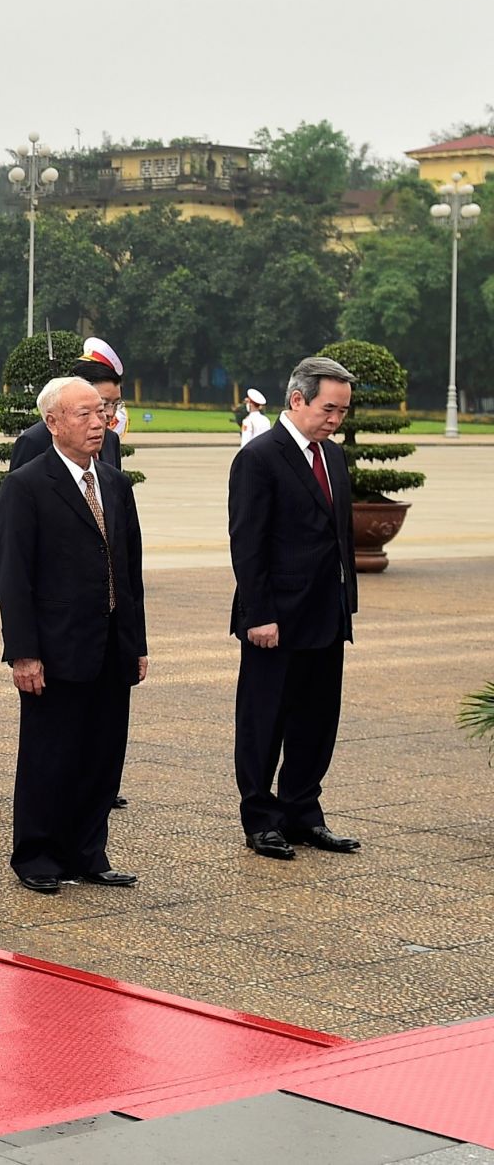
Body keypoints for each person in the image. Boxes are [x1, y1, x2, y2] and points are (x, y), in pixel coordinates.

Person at [0, 376, 147, 894]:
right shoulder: (28, 485)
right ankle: (37, 854)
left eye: (101, 411)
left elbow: (130, 571)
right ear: (53, 422)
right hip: (56, 646)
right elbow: (14, 577)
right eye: (83, 414)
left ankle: (88, 852)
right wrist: (23, 653)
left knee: (103, 754)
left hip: (111, 643)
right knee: (49, 754)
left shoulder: (116, 484)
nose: (97, 422)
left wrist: (137, 642)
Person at [229, 356, 361, 861]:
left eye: (343, 412)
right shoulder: (260, 457)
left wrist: (346, 602)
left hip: (327, 615)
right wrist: (259, 613)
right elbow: (248, 542)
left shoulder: (332, 457)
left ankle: (304, 812)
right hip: (275, 619)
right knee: (265, 722)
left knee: (317, 719)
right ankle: (261, 819)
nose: (335, 420)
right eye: (329, 409)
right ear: (298, 399)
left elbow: (339, 537)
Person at [8, 355, 125, 472]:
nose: (109, 413)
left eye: (116, 404)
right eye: (103, 404)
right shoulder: (34, 441)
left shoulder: (110, 439)